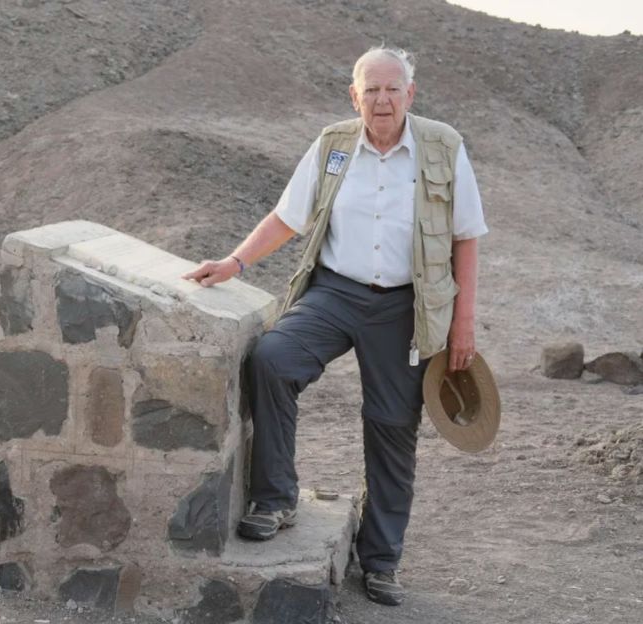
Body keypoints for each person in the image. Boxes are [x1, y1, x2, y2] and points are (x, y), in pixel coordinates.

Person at [182, 46, 487, 607]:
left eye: (393, 89)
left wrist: (463, 324)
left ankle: (380, 560)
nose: (382, 99)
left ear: (411, 95)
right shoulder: (333, 146)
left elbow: (467, 235)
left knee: (392, 424)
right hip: (336, 292)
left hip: (405, 306)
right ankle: (275, 498)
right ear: (355, 96)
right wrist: (234, 262)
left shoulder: (443, 147)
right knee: (273, 358)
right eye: (371, 89)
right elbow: (287, 217)